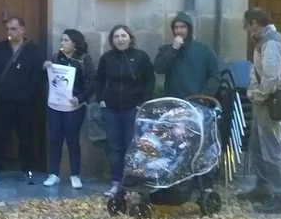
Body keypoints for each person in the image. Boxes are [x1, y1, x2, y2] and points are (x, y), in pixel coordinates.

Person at [238, 7, 281, 214]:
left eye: (247, 25)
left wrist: (257, 95)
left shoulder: (271, 42)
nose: (247, 30)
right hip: (265, 100)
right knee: (258, 146)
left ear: (254, 23)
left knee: (271, 148)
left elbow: (271, 78)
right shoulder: (265, 41)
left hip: (270, 100)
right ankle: (262, 188)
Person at [0, 16, 44, 184]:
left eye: (14, 29)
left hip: (25, 103)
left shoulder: (33, 51)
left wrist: (29, 93)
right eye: (8, 29)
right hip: (2, 101)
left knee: (26, 137)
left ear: (23, 30)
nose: (10, 32)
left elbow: (37, 76)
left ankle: (27, 169)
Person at [97, 24, 155, 197]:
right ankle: (116, 183)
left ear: (130, 38)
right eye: (116, 37)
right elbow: (99, 80)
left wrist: (143, 102)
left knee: (132, 146)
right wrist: (101, 99)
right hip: (111, 109)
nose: (120, 39)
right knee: (114, 147)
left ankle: (131, 184)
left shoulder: (141, 57)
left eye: (123, 36)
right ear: (112, 40)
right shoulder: (107, 58)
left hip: (133, 108)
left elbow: (149, 80)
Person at [43, 29, 95, 190]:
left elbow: (91, 83)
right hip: (55, 106)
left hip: (74, 106)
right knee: (54, 139)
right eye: (62, 40)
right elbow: (49, 80)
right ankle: (53, 174)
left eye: (66, 40)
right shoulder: (56, 57)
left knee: (72, 140)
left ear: (75, 43)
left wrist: (80, 98)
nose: (62, 43)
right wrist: (46, 68)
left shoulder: (84, 59)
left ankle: (75, 174)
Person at [153, 11, 220, 98]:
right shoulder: (166, 50)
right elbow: (158, 69)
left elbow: (215, 76)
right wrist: (173, 49)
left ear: (189, 29)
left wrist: (204, 96)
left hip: (197, 101)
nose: (179, 31)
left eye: (182, 27)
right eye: (176, 27)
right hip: (174, 101)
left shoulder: (204, 50)